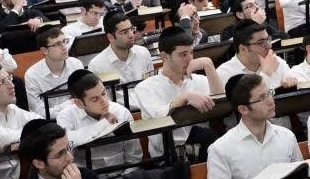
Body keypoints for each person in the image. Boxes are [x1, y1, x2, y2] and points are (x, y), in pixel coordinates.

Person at [206, 74, 310, 179]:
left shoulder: (286, 136)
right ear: (243, 109)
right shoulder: (221, 148)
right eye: (262, 98)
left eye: (269, 93)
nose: (271, 101)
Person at [135, 26, 223, 160]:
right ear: (164, 56)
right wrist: (185, 97)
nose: (190, 59)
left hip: (204, 149)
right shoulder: (145, 87)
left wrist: (209, 65)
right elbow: (160, 117)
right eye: (183, 54)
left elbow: (221, 106)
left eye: (191, 53)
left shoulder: (199, 80)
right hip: (168, 157)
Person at [55, 70, 141, 170]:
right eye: (95, 99)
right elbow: (68, 141)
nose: (104, 101)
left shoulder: (122, 112)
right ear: (79, 103)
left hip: (123, 175)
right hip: (85, 177)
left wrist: (126, 177)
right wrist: (104, 123)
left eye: (104, 93)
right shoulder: (65, 116)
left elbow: (134, 157)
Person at [24, 26, 84, 118]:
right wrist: (68, 106)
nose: (64, 47)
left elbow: (84, 97)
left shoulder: (76, 64)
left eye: (64, 41)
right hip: (51, 123)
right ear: (45, 51)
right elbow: (39, 112)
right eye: (58, 44)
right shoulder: (32, 75)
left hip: (79, 116)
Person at [87, 11, 152, 86]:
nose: (131, 35)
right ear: (110, 37)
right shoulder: (96, 65)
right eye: (124, 32)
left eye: (131, 29)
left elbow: (151, 84)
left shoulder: (143, 53)